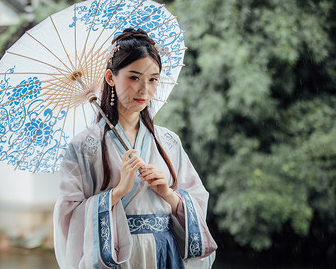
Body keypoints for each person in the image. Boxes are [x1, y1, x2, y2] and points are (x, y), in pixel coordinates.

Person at [53, 28, 217, 268]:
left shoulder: (168, 142)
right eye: (134, 77)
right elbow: (68, 214)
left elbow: (198, 197)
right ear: (110, 77)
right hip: (118, 256)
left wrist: (168, 194)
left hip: (164, 252)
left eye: (153, 79)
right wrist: (118, 192)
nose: (144, 90)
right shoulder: (83, 146)